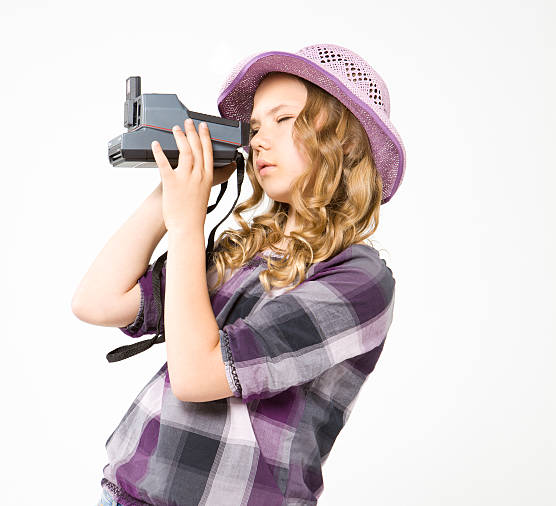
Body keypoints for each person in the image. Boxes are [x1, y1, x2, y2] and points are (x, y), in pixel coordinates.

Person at [73, 43, 406, 506]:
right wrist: (173, 191)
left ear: (344, 140)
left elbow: (198, 376)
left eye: (284, 119)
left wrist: (187, 224)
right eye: (254, 127)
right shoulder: (244, 252)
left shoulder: (359, 279)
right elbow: (97, 301)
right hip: (127, 496)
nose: (259, 140)